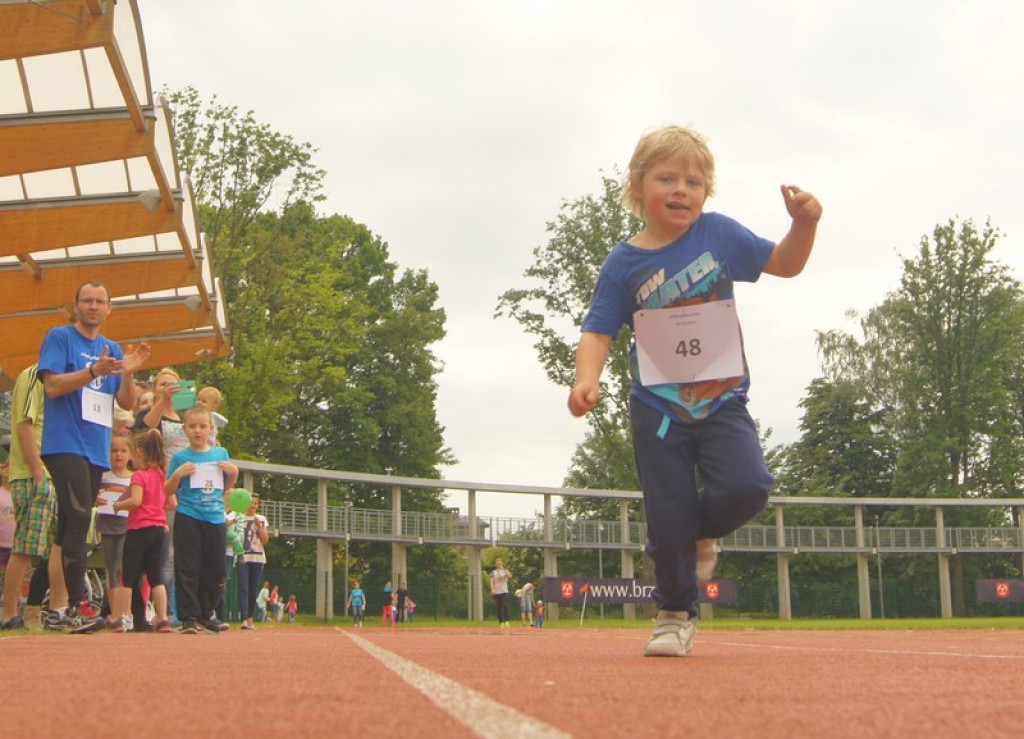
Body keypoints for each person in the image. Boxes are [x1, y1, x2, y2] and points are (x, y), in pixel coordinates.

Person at [568, 125, 821, 657]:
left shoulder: (720, 236)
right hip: (658, 406)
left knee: (749, 486)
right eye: (667, 178)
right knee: (667, 505)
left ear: (707, 192)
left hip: (722, 398)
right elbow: (597, 329)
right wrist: (585, 379)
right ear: (637, 187)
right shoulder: (623, 264)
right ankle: (674, 612)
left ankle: (687, 535)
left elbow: (786, 264)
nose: (682, 189)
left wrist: (805, 225)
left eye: (694, 181)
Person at [37, 283, 149, 630]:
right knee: (79, 516)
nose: (94, 306)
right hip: (64, 443)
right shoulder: (59, 337)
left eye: (100, 302)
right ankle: (75, 606)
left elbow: (128, 404)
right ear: (76, 306)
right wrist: (92, 372)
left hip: (95, 448)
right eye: (88, 301)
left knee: (68, 527)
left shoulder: (111, 348)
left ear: (109, 309)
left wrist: (127, 370)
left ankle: (56, 611)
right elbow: (53, 386)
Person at [0, 364, 68, 631]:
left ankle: (57, 611)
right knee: (27, 546)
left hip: (56, 471)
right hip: (33, 474)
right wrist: (36, 469)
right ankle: (9, 614)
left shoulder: (62, 379)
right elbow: (24, 423)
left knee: (59, 545)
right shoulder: (34, 374)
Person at [87, 429, 175, 633]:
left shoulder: (139, 476)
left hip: (139, 528)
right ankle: (163, 619)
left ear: (140, 453)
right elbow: (169, 502)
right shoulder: (160, 474)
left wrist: (119, 506)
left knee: (127, 576)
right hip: (158, 528)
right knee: (156, 576)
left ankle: (117, 616)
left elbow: (135, 501)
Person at [165, 405, 238, 634]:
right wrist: (178, 474)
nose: (198, 431)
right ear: (185, 429)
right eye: (193, 426)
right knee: (188, 566)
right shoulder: (180, 457)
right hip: (188, 516)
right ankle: (188, 617)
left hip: (215, 518)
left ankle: (207, 613)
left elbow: (225, 487)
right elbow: (167, 489)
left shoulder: (220, 454)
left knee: (216, 568)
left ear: (210, 428)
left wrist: (234, 472)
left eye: (203, 426)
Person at [92, 435, 133, 630]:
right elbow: (92, 496)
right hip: (107, 527)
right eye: (114, 450)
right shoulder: (102, 476)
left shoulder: (134, 478)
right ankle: (114, 614)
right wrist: (95, 499)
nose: (118, 454)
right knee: (110, 569)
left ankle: (126, 613)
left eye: (123, 451)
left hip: (126, 526)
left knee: (123, 568)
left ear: (130, 454)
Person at [236, 492, 269, 631]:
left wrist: (259, 526)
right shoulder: (238, 517)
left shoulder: (261, 519)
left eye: (255, 503)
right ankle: (243, 618)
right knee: (243, 587)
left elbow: (265, 540)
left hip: (257, 558)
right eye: (251, 503)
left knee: (252, 589)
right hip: (243, 556)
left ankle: (250, 617)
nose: (253, 506)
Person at [489, 557, 512, 627]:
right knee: (498, 607)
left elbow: (510, 576)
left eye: (500, 561)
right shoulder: (493, 572)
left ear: (502, 563)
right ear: (496, 564)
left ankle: (507, 621)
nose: (498, 562)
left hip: (504, 591)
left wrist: (504, 570)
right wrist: (492, 588)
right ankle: (501, 622)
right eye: (497, 561)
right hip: (497, 592)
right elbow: (491, 581)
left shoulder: (505, 570)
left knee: (505, 605)